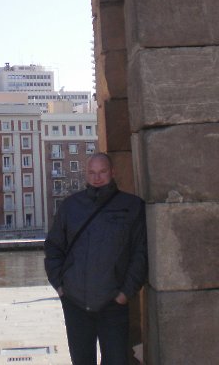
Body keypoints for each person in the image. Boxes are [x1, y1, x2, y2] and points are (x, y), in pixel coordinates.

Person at [44, 152, 147, 365]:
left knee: (117, 360)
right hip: (75, 303)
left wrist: (125, 293)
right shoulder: (70, 206)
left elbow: (140, 254)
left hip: (113, 303)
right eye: (92, 172)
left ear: (112, 172)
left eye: (102, 172)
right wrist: (61, 287)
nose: (97, 177)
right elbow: (53, 248)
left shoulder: (132, 206)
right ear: (86, 174)